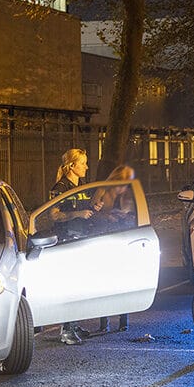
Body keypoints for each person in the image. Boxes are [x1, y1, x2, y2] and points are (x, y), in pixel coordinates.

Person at [48, 148, 101, 345]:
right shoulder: (60, 187)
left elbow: (83, 209)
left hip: (82, 238)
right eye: (83, 163)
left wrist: (93, 209)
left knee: (80, 285)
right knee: (69, 285)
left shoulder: (83, 186)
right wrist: (77, 215)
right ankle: (66, 330)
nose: (87, 167)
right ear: (72, 166)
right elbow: (53, 214)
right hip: (67, 240)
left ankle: (74, 323)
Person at [90, 164, 136, 333]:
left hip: (122, 241)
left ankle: (123, 319)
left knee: (122, 282)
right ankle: (104, 322)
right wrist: (107, 216)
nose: (124, 187)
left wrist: (125, 216)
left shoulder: (129, 193)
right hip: (104, 239)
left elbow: (135, 216)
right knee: (105, 282)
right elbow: (92, 213)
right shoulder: (102, 190)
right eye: (122, 183)